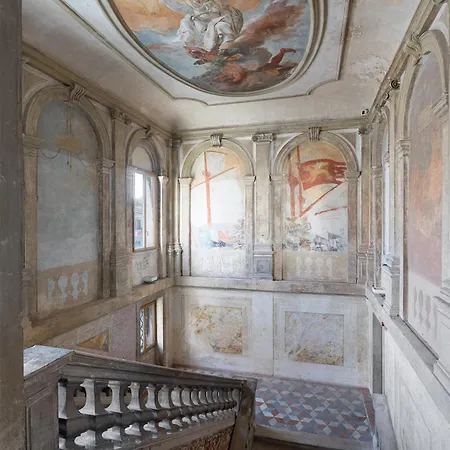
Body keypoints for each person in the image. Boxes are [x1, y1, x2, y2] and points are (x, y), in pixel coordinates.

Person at [160, 0, 243, 51]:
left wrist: (225, 5)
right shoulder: (191, 6)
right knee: (186, 22)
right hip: (203, 26)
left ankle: (227, 43)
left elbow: (223, 8)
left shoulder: (211, 3)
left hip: (217, 21)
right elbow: (178, 6)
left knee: (222, 25)